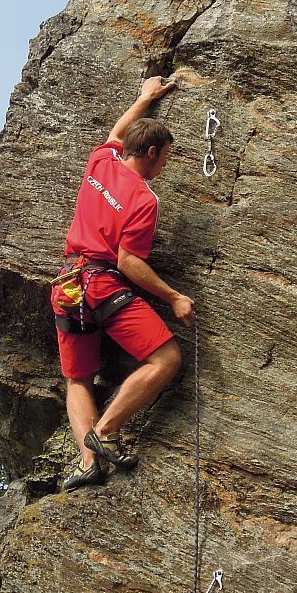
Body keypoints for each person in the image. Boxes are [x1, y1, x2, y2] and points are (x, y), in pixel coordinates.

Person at [52, 76, 196, 491]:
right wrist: (173, 297)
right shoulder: (144, 200)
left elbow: (117, 132)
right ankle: (107, 429)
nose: (163, 166)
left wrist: (144, 99)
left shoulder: (102, 161)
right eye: (164, 158)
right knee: (166, 359)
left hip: (68, 285)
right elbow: (128, 262)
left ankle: (87, 463)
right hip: (102, 286)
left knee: (78, 379)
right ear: (151, 153)